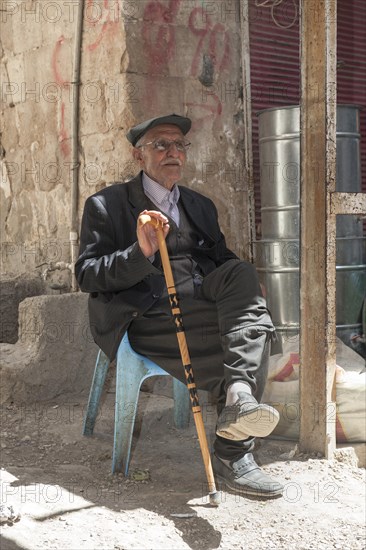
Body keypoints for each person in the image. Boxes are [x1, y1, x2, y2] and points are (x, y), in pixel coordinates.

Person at [75, 113, 283, 498]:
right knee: (248, 337)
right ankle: (235, 453)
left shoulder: (200, 205)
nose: (173, 152)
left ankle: (238, 396)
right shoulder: (106, 205)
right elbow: (87, 274)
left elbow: (221, 258)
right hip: (146, 315)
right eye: (160, 145)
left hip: (199, 303)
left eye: (179, 145)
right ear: (139, 156)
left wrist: (247, 289)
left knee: (242, 281)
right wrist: (140, 251)